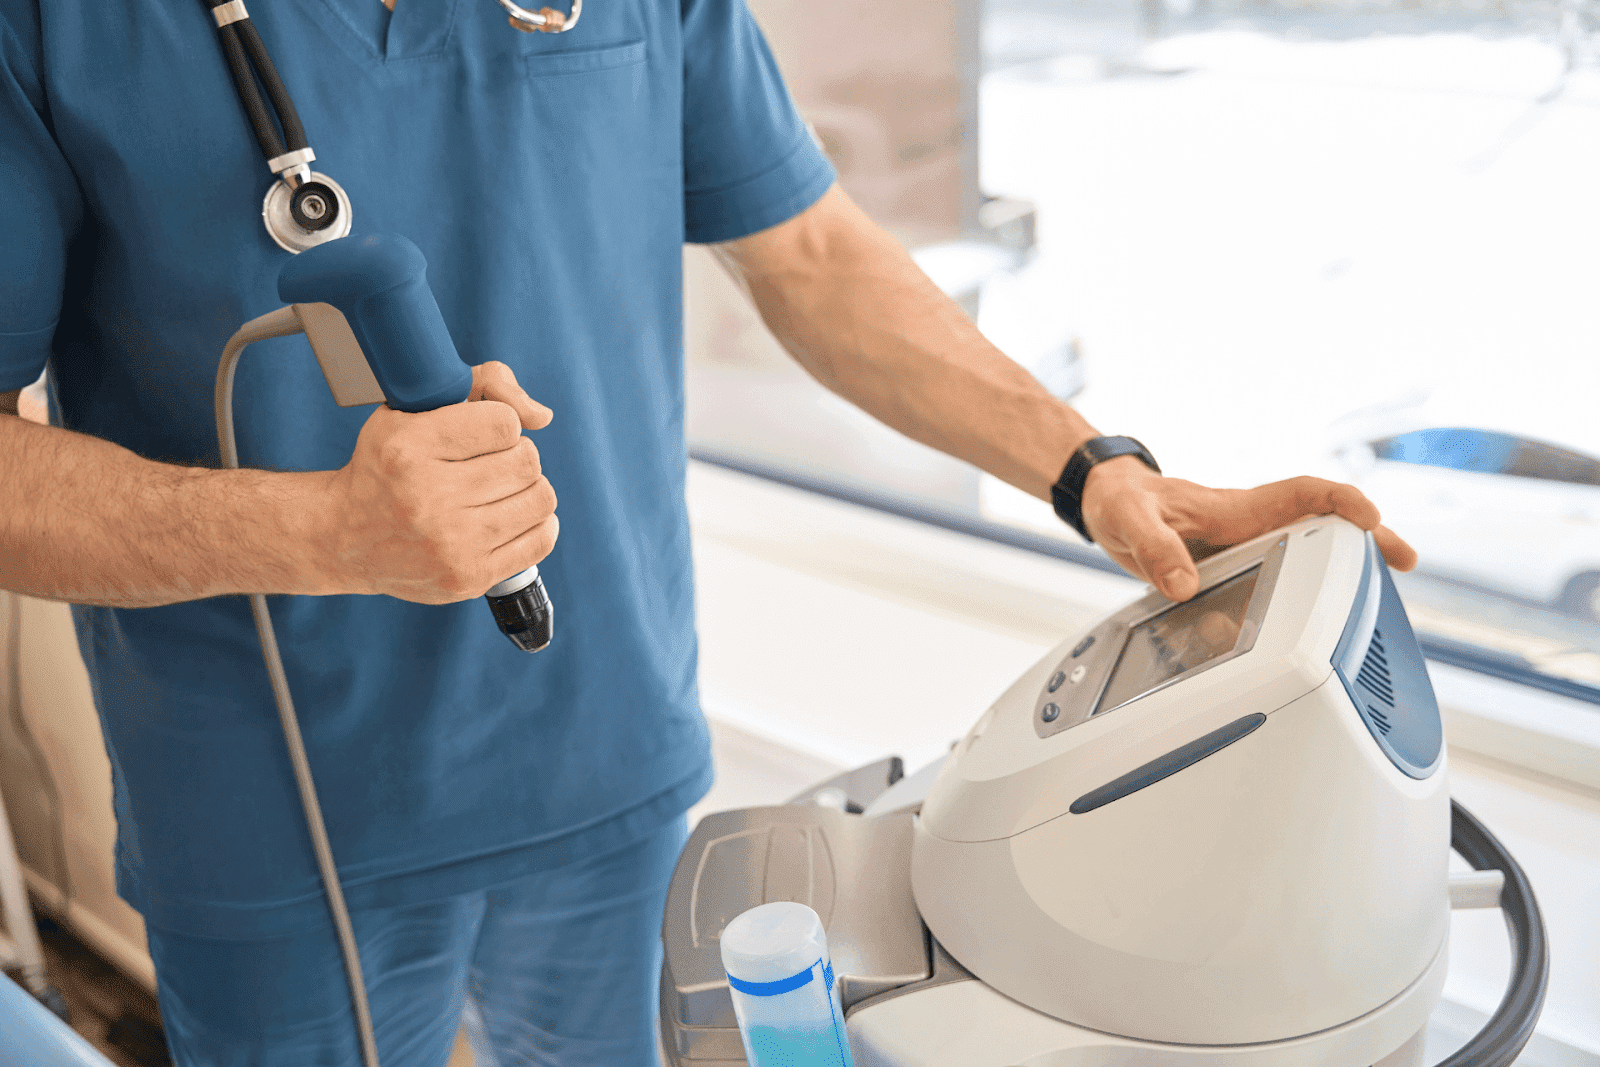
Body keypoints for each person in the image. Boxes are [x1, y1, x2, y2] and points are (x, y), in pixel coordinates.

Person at [0, 0, 1417, 1064]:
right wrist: (320, 531)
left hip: (604, 762)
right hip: (278, 816)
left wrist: (1092, 467)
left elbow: (805, 248)